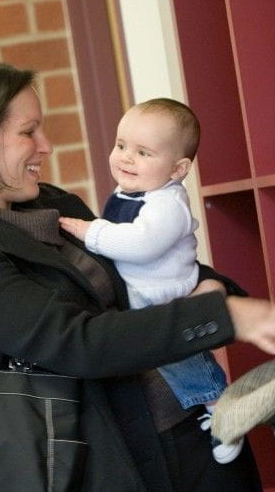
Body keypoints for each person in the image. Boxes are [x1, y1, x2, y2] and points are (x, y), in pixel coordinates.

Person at [0, 59, 275, 492]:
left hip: (193, 446)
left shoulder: (55, 206)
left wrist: (214, 290)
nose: (45, 146)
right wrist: (219, 316)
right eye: (28, 132)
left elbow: (139, 280)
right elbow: (80, 343)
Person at [59, 98, 242, 464]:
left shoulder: (167, 204)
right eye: (121, 145)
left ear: (177, 169)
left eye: (143, 152)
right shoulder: (132, 191)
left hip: (163, 294)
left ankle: (223, 408)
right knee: (165, 359)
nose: (126, 158)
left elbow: (141, 244)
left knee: (179, 358)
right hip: (141, 293)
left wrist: (89, 231)